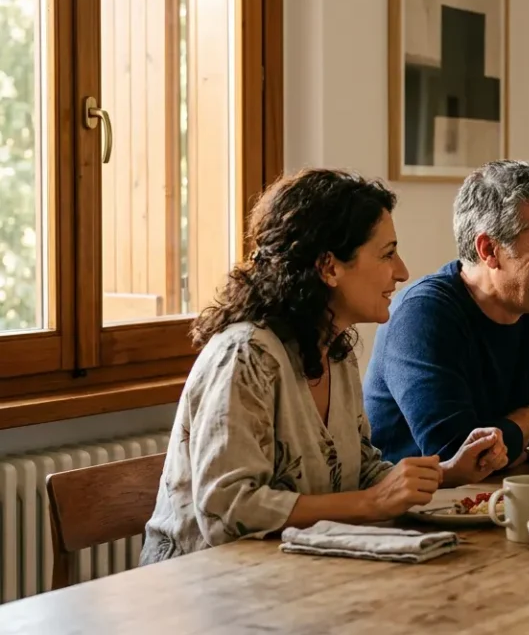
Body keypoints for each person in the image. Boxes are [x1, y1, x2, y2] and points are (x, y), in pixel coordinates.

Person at [140, 169, 507, 564]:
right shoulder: (244, 357)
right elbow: (228, 512)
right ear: (329, 267)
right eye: (387, 254)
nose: (402, 271)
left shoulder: (336, 352)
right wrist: (370, 503)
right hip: (200, 584)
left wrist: (448, 473)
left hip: (291, 571)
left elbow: (360, 472)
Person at [363, 160, 529, 469]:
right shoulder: (422, 315)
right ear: (489, 250)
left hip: (502, 490)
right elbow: (458, 455)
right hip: (425, 499)